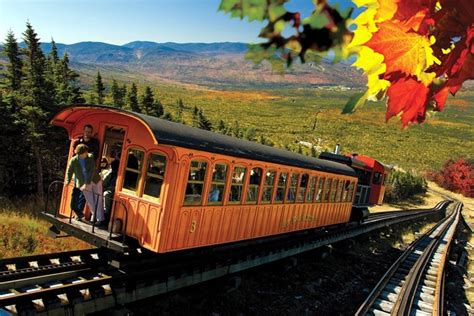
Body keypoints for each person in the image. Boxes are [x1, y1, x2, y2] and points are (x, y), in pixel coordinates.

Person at [65, 144, 106, 227]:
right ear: (80, 153)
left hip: (95, 180)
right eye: (85, 153)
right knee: (91, 201)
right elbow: (69, 171)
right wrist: (67, 181)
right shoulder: (73, 160)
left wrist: (86, 183)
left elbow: (91, 171)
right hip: (83, 183)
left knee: (98, 199)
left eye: (86, 152)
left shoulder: (90, 157)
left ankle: (100, 219)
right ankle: (96, 218)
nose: (86, 154)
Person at [70, 124, 100, 220]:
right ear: (83, 131)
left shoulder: (95, 143)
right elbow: (74, 156)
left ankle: (79, 213)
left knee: (84, 192)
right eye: (86, 131)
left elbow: (94, 156)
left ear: (91, 133)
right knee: (75, 191)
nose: (87, 134)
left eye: (89, 132)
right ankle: (76, 210)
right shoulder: (77, 142)